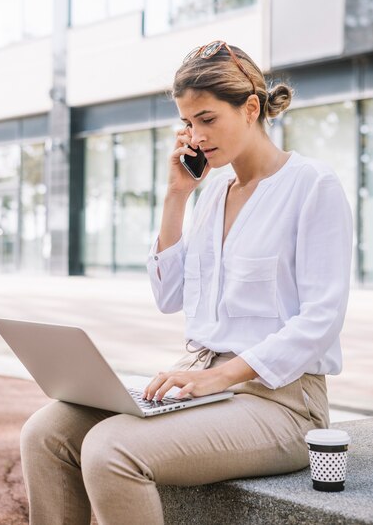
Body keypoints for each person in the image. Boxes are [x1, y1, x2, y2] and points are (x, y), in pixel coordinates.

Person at [20, 40, 353, 525]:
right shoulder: (212, 190)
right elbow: (168, 295)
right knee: (45, 432)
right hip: (203, 385)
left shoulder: (312, 186)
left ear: (251, 108)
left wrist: (220, 375)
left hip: (281, 403)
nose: (195, 135)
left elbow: (321, 320)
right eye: (187, 123)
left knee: (112, 450)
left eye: (207, 118)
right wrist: (176, 196)